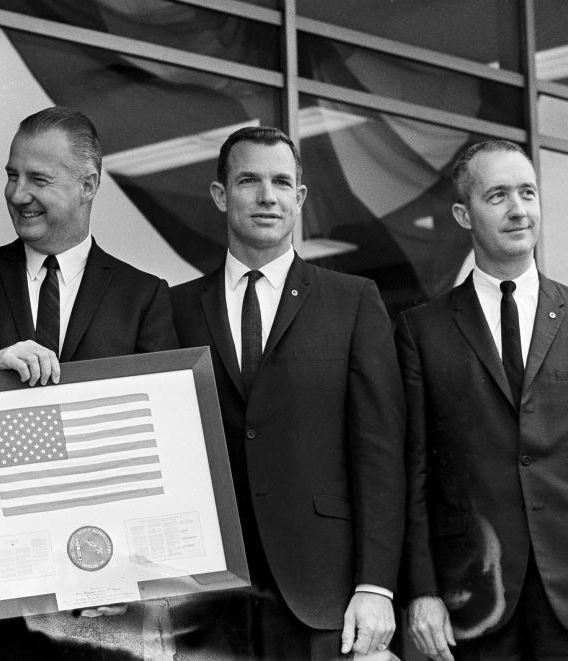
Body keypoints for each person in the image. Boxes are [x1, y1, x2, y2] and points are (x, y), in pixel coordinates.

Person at [0, 106, 177, 658]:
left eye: (39, 179)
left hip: (100, 597)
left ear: (88, 184)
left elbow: (163, 450)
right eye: (11, 174)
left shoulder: (143, 296)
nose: (17, 193)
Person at [397, 139, 568, 661]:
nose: (518, 209)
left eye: (527, 193)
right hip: (475, 596)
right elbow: (414, 472)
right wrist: (421, 591)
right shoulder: (421, 331)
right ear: (464, 214)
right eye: (498, 196)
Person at [170, 126, 406, 660]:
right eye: (249, 180)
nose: (267, 196)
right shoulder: (175, 308)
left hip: (323, 595)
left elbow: (381, 455)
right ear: (220, 195)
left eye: (281, 182)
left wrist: (376, 586)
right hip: (207, 599)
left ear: (300, 198)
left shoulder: (352, 301)